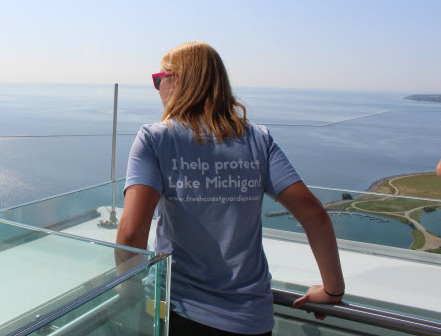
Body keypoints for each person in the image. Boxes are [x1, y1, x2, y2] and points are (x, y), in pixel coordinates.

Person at [116, 41, 345, 336]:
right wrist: (332, 290)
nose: (158, 89)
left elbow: (132, 231)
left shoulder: (155, 139)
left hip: (180, 312)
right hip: (252, 320)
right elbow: (314, 214)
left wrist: (126, 292)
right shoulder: (259, 141)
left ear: (179, 83)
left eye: (159, 80)